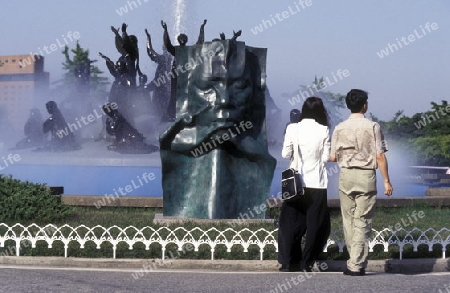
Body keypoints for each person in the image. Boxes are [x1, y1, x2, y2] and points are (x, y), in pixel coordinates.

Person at [329, 89, 393, 276]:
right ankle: (356, 264)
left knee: (348, 220)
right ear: (365, 105)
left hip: (346, 176)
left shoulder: (339, 128)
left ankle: (354, 260)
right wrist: (387, 181)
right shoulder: (372, 126)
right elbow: (380, 156)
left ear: (348, 105)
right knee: (362, 220)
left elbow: (333, 157)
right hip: (365, 176)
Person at [278, 97, 331, 272]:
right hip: (316, 182)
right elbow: (325, 158)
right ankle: (307, 262)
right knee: (316, 223)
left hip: (295, 183)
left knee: (289, 222)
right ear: (320, 111)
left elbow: (285, 153)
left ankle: (288, 261)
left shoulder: (293, 128)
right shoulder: (324, 129)